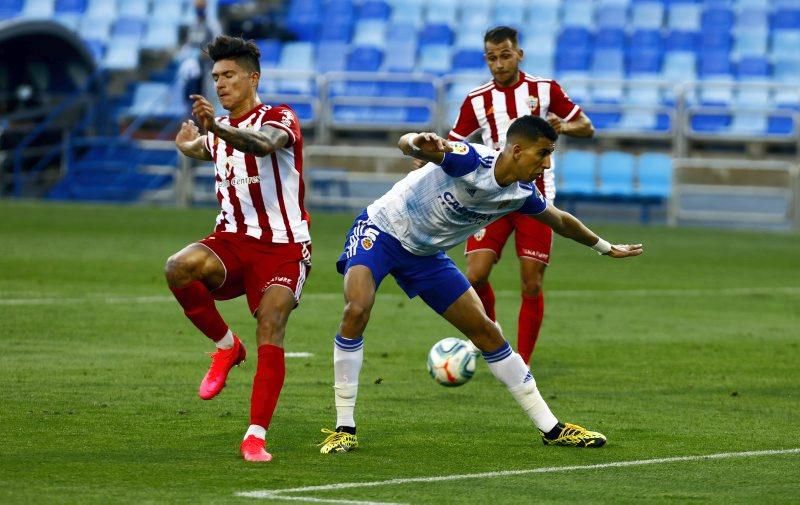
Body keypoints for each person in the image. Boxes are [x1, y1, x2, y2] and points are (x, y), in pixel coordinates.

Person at [318, 116, 642, 454]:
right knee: (357, 307)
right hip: (382, 230)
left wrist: (606, 247)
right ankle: (344, 427)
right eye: (542, 153)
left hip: (426, 254)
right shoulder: (470, 160)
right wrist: (417, 141)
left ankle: (552, 429)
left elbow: (560, 220)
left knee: (487, 332)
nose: (547, 164)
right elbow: (406, 145)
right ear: (517, 151)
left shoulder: (521, 193)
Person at [166, 35, 311, 463]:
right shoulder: (218, 132)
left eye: (229, 75)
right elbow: (202, 148)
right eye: (216, 77)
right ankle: (228, 346)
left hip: (282, 248)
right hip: (231, 242)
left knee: (271, 321)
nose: (221, 84)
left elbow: (262, 144)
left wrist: (213, 129)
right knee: (178, 268)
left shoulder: (280, 117)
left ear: (253, 77)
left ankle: (255, 436)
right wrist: (186, 142)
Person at [451, 26, 595, 363]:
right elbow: (456, 140)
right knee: (475, 274)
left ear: (519, 54)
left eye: (505, 55)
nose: (499, 64)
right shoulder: (477, 99)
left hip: (535, 197)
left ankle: (523, 362)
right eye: (491, 58)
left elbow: (586, 126)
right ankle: (492, 334)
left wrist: (564, 126)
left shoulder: (545, 89)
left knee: (531, 283)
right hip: (491, 195)